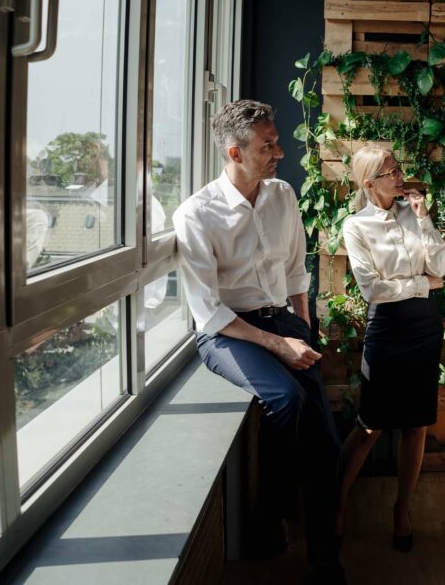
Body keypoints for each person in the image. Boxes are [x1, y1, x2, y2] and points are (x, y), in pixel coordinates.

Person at [173, 99, 343, 583]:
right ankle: (268, 517)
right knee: (284, 397)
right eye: (267, 146)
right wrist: (277, 345)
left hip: (282, 321)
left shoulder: (282, 195)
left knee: (326, 447)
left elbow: (295, 270)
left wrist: (302, 332)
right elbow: (207, 310)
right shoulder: (196, 214)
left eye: (276, 141)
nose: (279, 152)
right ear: (234, 153)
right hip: (227, 332)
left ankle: (325, 560)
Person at [336, 146, 445, 552]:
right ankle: (336, 505)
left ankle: (402, 509)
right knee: (370, 424)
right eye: (391, 172)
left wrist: (424, 219)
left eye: (399, 167)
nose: (400, 176)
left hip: (424, 327)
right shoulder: (356, 226)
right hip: (386, 330)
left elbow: (442, 268)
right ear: (370, 183)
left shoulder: (414, 213)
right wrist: (420, 285)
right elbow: (372, 290)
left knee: (417, 425)